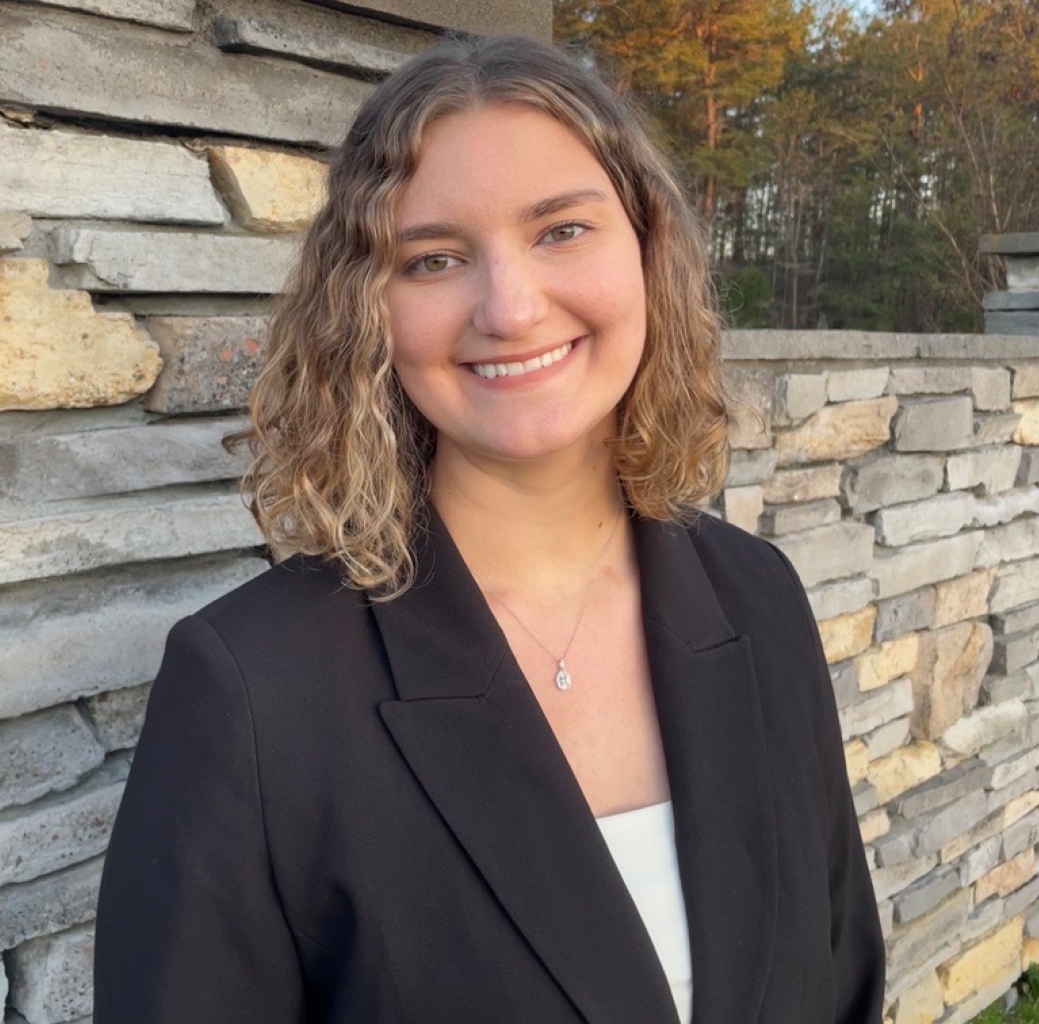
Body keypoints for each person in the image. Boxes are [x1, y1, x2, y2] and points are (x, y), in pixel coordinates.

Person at [93, 33, 885, 1024]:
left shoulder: (758, 596)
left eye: (561, 230)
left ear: (646, 249)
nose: (509, 308)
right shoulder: (253, 688)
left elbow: (842, 979)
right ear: (365, 311)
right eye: (433, 259)